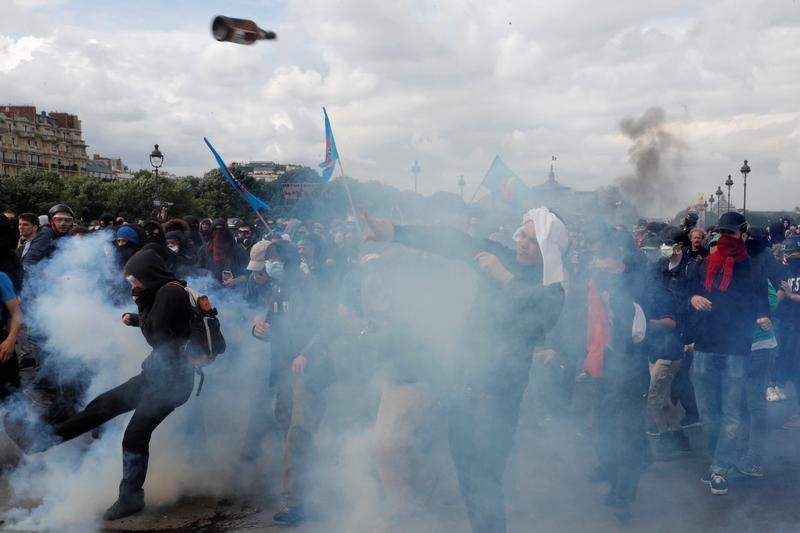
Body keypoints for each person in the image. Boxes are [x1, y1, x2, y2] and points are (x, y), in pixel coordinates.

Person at [361, 206, 567, 533]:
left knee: (484, 482)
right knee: (470, 482)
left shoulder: (551, 287)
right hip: (463, 388)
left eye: (534, 241)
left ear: (550, 250)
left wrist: (502, 275)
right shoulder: (500, 254)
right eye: (523, 235)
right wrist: (396, 232)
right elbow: (454, 242)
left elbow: (542, 310)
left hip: (497, 399)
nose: (523, 243)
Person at [4, 248, 195, 521]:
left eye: (135, 280)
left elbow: (158, 336)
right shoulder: (165, 291)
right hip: (157, 376)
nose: (133, 285)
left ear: (148, 274)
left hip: (170, 384)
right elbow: (167, 328)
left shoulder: (169, 293)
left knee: (134, 435)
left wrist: (140, 306)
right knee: (102, 406)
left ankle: (130, 499)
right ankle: (42, 440)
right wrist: (136, 317)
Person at [686, 211, 771, 496]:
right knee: (709, 413)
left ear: (743, 233)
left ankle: (720, 467)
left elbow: (761, 298)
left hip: (736, 348)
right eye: (722, 232)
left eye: (731, 233)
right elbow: (687, 292)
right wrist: (693, 298)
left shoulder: (752, 268)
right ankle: (717, 461)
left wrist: (762, 315)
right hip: (706, 346)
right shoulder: (704, 265)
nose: (726, 238)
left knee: (732, 413)